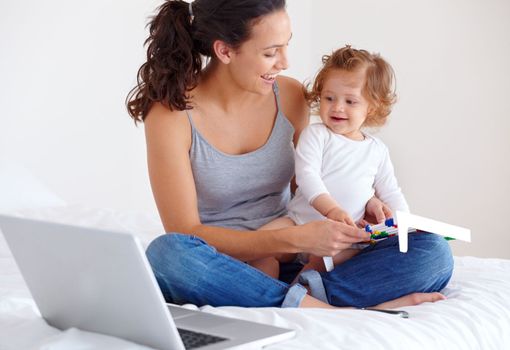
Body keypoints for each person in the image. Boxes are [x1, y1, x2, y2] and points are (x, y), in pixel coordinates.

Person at [126, 0, 453, 309]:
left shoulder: (289, 94)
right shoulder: (171, 115)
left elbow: (307, 187)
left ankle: (301, 298)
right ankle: (324, 307)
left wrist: (363, 203)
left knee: (433, 252)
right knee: (168, 255)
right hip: (226, 267)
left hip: (298, 260)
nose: (285, 62)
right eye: (271, 52)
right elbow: (186, 231)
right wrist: (292, 238)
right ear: (224, 50)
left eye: (286, 45)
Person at [249, 46, 411, 279]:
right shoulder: (316, 135)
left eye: (350, 101)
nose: (337, 107)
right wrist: (331, 209)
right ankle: (265, 291)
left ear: (371, 107)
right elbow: (307, 176)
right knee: (260, 248)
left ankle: (298, 291)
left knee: (343, 260)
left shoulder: (377, 150)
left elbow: (390, 191)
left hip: (342, 239)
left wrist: (406, 223)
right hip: (298, 224)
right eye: (329, 98)